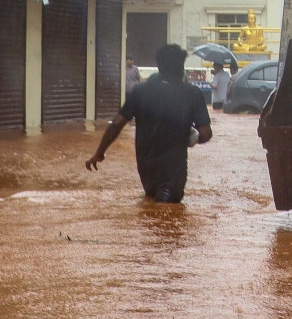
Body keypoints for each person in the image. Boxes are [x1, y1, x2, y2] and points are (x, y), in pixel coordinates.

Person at [86, 44, 213, 203]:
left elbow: (117, 123)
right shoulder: (192, 93)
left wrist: (99, 153)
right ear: (181, 67)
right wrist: (193, 138)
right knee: (166, 217)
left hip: (145, 169)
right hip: (173, 170)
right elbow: (206, 134)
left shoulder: (140, 91)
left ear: (158, 66)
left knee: (150, 209)